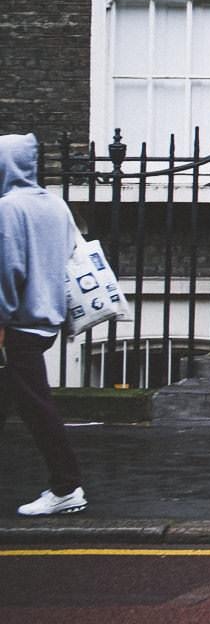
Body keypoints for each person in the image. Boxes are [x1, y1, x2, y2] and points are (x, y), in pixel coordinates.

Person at [0, 134, 88, 517]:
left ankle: (67, 487)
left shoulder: (8, 208)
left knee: (37, 408)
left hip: (14, 325)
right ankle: (66, 484)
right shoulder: (56, 205)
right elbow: (72, 257)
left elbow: (8, 270)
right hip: (46, 322)